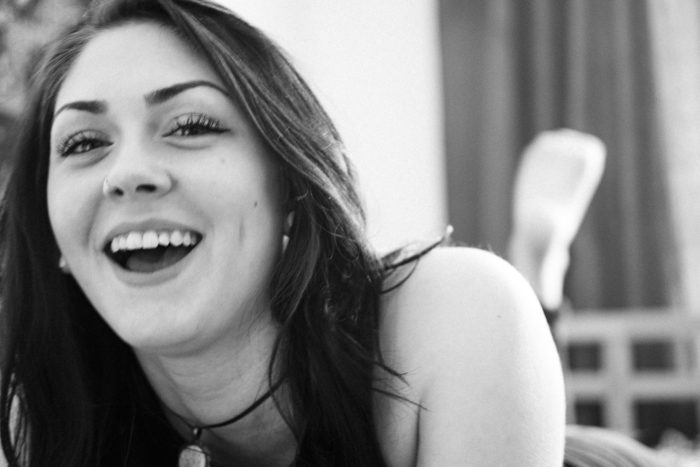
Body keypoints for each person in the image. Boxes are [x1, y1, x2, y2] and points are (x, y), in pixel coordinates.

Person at [0, 0, 565, 465]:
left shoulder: (456, 314)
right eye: (83, 143)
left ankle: (544, 269)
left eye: (190, 126)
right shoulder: (41, 414)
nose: (126, 174)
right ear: (51, 236)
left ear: (291, 189)